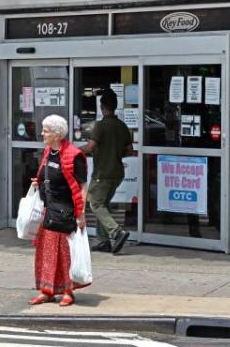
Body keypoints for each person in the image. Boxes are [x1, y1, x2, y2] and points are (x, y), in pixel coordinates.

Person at [29, 114, 89, 307]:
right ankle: (47, 291)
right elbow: (47, 176)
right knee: (46, 253)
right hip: (49, 210)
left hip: (65, 211)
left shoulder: (74, 155)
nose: (42, 134)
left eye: (45, 131)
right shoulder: (48, 152)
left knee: (65, 254)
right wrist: (38, 183)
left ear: (56, 134)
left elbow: (82, 186)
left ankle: (68, 291)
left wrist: (80, 214)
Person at [81, 90, 135, 254]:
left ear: (102, 106)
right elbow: (130, 151)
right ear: (115, 107)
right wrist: (114, 151)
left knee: (95, 203)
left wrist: (73, 151)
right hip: (117, 173)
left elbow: (90, 147)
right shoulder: (122, 126)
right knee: (103, 204)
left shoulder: (101, 125)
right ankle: (103, 241)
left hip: (102, 173)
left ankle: (116, 231)